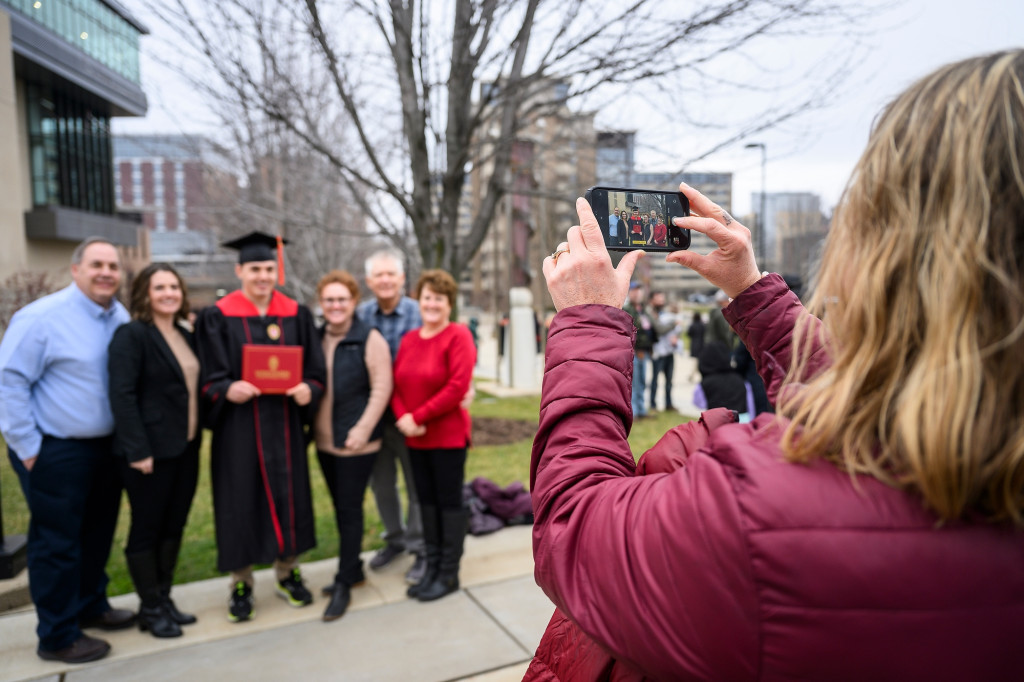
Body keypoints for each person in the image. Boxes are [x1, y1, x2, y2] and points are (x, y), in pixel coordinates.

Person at [527, 50, 1024, 680]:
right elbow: (879, 402)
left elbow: (576, 533)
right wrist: (755, 293)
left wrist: (589, 322)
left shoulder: (758, 517)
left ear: (891, 249)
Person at [0, 237, 134, 664]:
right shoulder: (41, 318)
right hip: (54, 450)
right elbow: (9, 381)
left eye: (112, 265)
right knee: (56, 543)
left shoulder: (118, 317)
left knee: (95, 536)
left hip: (104, 449)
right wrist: (28, 447)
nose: (106, 272)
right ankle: (57, 635)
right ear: (75, 269)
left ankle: (90, 605)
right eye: (96, 264)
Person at [195, 231, 326, 623]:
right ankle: (242, 581)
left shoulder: (295, 313)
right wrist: (225, 388)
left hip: (285, 428)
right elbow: (206, 376)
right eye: (255, 269)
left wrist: (309, 388)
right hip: (239, 429)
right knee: (240, 500)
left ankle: (287, 572)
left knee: (290, 498)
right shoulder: (218, 316)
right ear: (239, 271)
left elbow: (317, 371)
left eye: (269, 268)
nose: (263, 276)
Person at [108, 263, 200, 639]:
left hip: (186, 447)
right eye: (159, 287)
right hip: (149, 453)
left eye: (173, 287)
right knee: (146, 530)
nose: (168, 294)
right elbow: (122, 394)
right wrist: (137, 448)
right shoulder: (131, 336)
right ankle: (149, 607)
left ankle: (164, 598)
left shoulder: (184, 332)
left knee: (173, 526)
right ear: (144, 293)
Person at [392, 269, 476, 602]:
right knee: (424, 503)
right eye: (427, 297)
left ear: (449, 304)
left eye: (439, 299)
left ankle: (448, 573)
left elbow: (457, 387)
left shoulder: (458, 336)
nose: (431, 304)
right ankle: (430, 567)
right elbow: (397, 384)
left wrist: (419, 416)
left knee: (447, 504)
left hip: (447, 437)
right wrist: (405, 419)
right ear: (419, 300)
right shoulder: (409, 339)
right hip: (415, 436)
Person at [314, 270, 392, 621]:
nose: (335, 305)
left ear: (353, 302)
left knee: (349, 511)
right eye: (329, 300)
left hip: (356, 444)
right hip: (325, 443)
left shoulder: (368, 337)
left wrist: (362, 429)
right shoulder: (317, 338)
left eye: (341, 299)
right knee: (341, 508)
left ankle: (344, 582)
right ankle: (355, 571)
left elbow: (381, 388)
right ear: (321, 304)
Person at [356, 250, 426, 583]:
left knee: (415, 484)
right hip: (373, 417)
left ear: (401, 279)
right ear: (369, 282)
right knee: (382, 484)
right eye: (378, 275)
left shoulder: (419, 313)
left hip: (410, 417)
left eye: (390, 275)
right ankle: (394, 539)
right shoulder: (360, 316)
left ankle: (418, 546)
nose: (384, 280)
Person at [622, 282, 655, 418]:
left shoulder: (643, 310)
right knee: (634, 383)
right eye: (634, 291)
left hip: (644, 352)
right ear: (629, 293)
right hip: (633, 352)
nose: (637, 293)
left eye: (639, 291)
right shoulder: (627, 310)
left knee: (641, 381)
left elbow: (649, 330)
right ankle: (633, 411)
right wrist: (635, 348)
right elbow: (629, 332)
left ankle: (641, 410)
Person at [647, 291, 678, 411]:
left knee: (669, 380)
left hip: (669, 351)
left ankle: (668, 404)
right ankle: (653, 404)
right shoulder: (649, 313)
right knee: (655, 379)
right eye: (658, 299)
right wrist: (673, 323)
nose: (661, 301)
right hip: (657, 352)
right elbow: (660, 329)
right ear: (652, 300)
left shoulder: (664, 313)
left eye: (662, 299)